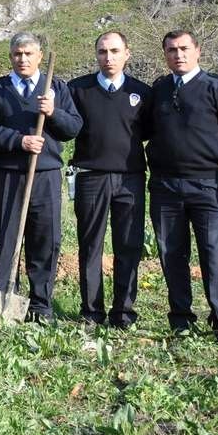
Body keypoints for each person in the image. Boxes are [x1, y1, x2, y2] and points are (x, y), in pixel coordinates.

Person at [146, 29, 218, 344]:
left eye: (183, 49)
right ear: (164, 54)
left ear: (197, 51)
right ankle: (181, 320)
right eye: (171, 50)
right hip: (165, 187)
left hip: (208, 186)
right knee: (171, 253)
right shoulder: (160, 89)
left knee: (213, 254)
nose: (178, 55)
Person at [0, 32, 81, 323]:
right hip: (8, 176)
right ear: (10, 57)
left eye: (28, 54)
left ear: (38, 56)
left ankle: (40, 304)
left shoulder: (56, 88)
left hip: (45, 175)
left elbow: (73, 127)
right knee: (8, 237)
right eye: (17, 54)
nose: (22, 59)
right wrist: (18, 141)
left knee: (45, 239)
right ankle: (6, 299)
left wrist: (53, 113)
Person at [67, 31, 152, 328]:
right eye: (103, 52)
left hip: (130, 180)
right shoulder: (78, 90)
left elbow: (153, 133)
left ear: (127, 54)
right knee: (90, 246)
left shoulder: (142, 93)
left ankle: (123, 312)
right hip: (91, 178)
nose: (109, 57)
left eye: (115, 51)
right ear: (96, 54)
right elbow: (65, 125)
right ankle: (92, 311)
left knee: (128, 245)